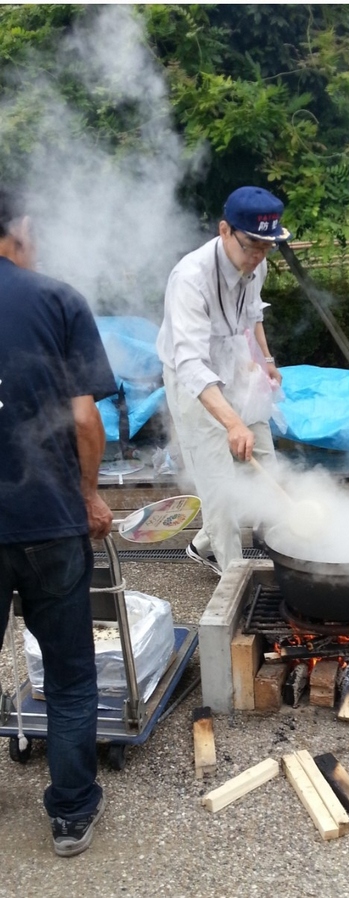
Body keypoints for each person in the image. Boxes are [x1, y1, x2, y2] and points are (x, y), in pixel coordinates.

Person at [0, 187, 117, 856]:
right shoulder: (57, 300)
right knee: (70, 675)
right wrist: (90, 496)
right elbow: (83, 419)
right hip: (49, 521)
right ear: (21, 228)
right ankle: (70, 816)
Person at [157, 186, 291, 575]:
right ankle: (233, 578)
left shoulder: (257, 262)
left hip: (235, 362)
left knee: (265, 461)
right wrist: (230, 421)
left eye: (267, 247)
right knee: (218, 482)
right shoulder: (190, 278)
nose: (257, 256)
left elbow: (252, 315)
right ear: (224, 231)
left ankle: (206, 544)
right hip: (191, 379)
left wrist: (264, 359)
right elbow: (190, 363)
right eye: (251, 245)